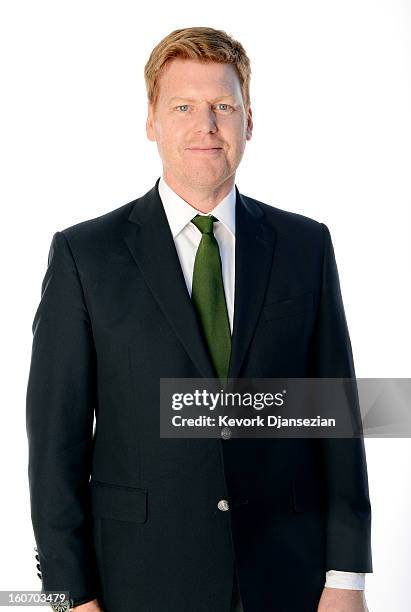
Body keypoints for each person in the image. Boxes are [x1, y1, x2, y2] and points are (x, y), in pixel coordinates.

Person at [26, 26, 372, 612]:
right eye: (182, 106)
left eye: (223, 106)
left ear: (248, 121)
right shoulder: (86, 255)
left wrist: (347, 577)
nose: (205, 125)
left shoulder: (305, 246)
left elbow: (335, 416)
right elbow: (55, 446)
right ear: (151, 121)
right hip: (137, 582)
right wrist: (67, 598)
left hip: (289, 578)